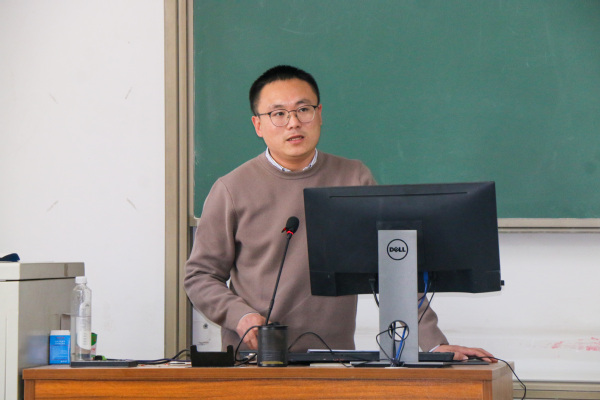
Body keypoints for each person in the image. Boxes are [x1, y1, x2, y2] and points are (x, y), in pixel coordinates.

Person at [184, 65, 496, 362]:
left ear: (319, 114)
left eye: (303, 109)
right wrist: (240, 316)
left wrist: (434, 344)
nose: (293, 123)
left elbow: (395, 268)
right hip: (255, 362)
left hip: (334, 361)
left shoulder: (352, 177)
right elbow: (200, 276)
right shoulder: (231, 189)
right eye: (278, 114)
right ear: (258, 125)